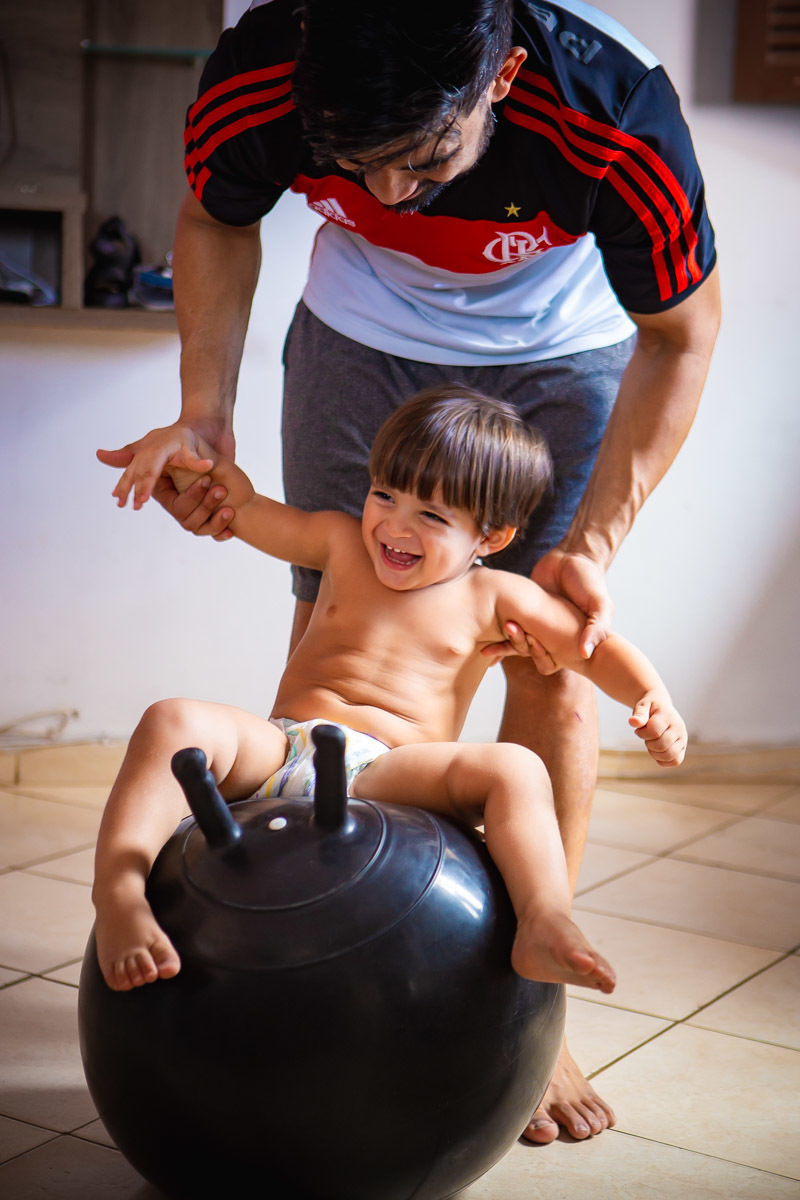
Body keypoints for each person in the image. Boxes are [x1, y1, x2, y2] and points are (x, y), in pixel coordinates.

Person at [96, 1, 720, 1143]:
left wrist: (591, 552)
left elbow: (679, 333)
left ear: (505, 79)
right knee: (326, 621)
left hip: (556, 352)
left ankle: (529, 1010)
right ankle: (289, 946)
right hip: (357, 333)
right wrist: (202, 425)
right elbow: (216, 217)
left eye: (423, 156)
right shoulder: (262, 71)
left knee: (545, 665)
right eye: (351, 164)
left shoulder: (612, 112)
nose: (386, 198)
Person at [94, 387, 686, 1021]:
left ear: (491, 535)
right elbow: (240, 506)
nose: (396, 526)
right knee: (171, 719)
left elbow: (592, 647)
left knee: (517, 769)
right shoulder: (338, 542)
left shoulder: (496, 596)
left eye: (432, 516)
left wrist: (653, 696)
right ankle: (120, 891)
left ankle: (543, 919)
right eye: (385, 495)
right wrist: (188, 464)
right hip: (281, 747)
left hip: (390, 775)